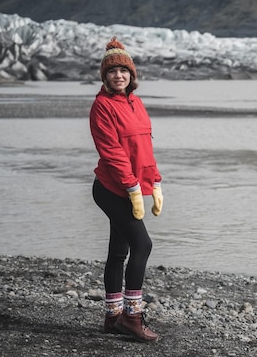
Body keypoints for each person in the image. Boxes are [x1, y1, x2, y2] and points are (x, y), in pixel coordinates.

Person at [89, 36, 164, 342]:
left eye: (123, 71)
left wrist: (155, 182)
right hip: (111, 188)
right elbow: (113, 153)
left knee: (119, 251)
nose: (118, 75)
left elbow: (144, 148)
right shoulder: (102, 106)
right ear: (104, 77)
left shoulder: (135, 103)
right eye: (111, 71)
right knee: (142, 245)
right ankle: (132, 318)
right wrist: (133, 188)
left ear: (132, 76)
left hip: (128, 187)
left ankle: (112, 317)